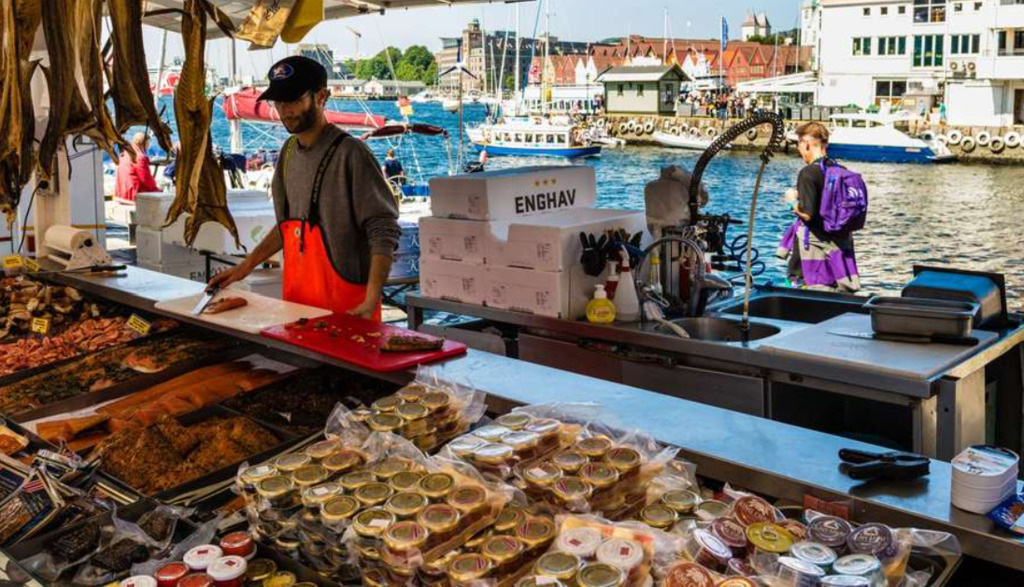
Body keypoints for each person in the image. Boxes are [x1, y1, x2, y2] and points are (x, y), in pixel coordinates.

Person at [207, 56, 401, 321]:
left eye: (294, 100)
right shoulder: (287, 153)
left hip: (349, 310)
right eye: (279, 101)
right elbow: (288, 227)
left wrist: (371, 299)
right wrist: (245, 267)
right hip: (297, 306)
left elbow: (383, 229)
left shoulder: (350, 154)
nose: (285, 110)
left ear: (321, 96)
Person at [778, 122, 860, 292]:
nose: (798, 149)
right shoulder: (839, 169)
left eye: (798, 143)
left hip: (811, 256)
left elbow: (808, 214)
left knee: (804, 299)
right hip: (836, 252)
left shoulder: (808, 173)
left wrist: (792, 200)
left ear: (806, 143)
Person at [115, 132, 159, 202]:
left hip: (121, 192)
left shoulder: (124, 153)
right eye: (148, 144)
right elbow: (145, 179)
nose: (148, 146)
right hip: (132, 193)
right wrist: (157, 189)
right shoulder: (139, 157)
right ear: (144, 143)